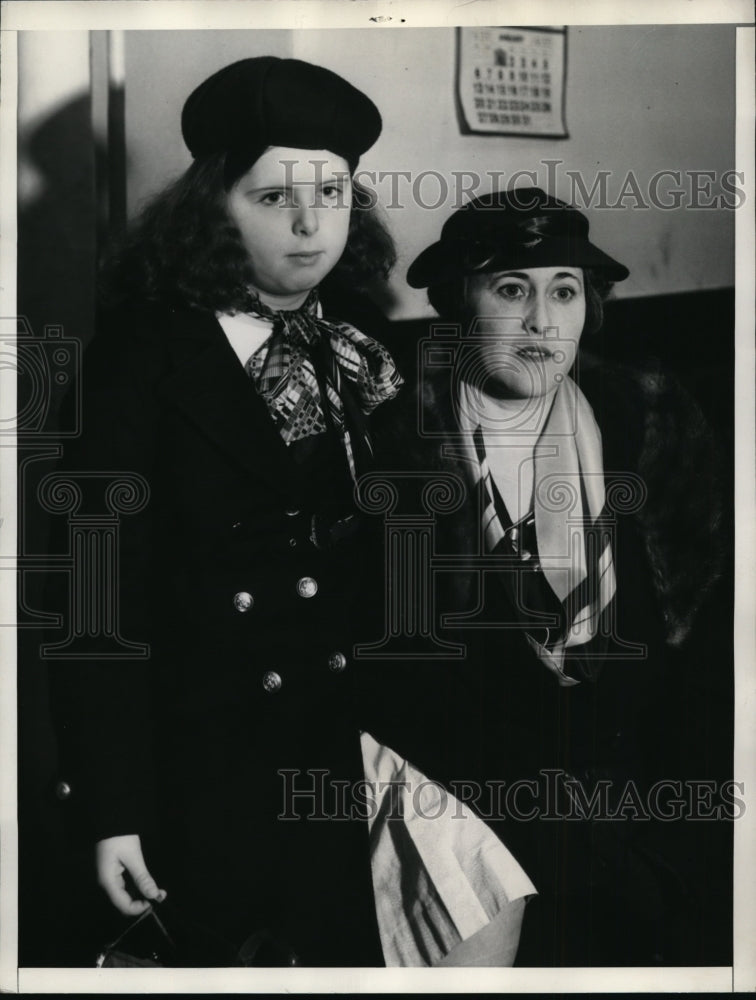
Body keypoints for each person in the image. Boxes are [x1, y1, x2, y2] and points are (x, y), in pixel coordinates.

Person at [49, 56, 404, 967]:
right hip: (198, 766)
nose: (308, 222)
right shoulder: (134, 361)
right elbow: (95, 609)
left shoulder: (363, 341)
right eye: (273, 195)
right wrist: (111, 810)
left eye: (332, 191)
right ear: (212, 209)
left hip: (346, 754)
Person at [363, 186, 727, 965]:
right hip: (477, 841)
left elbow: (701, 645)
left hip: (635, 824)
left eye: (564, 291)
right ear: (460, 304)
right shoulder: (396, 443)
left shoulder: (643, 417)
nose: (541, 320)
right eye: (510, 290)